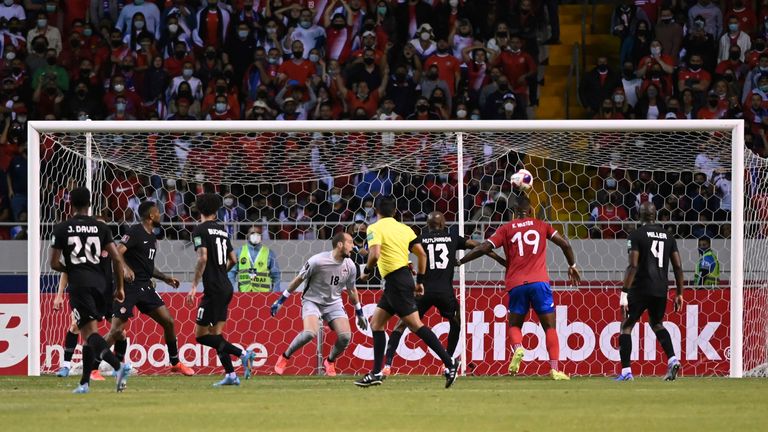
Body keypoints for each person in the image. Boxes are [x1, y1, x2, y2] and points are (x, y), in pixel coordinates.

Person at [458, 195, 579, 380]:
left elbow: (483, 247)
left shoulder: (506, 229)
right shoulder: (541, 225)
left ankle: (518, 348)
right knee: (550, 327)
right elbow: (565, 244)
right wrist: (572, 265)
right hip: (539, 282)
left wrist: (461, 261)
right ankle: (555, 369)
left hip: (515, 284)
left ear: (513, 212)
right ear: (530, 210)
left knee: (515, 325)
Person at [354, 196, 460, 388]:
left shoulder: (374, 228)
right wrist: (419, 281)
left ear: (376, 212)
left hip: (397, 281)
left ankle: (450, 362)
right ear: (395, 212)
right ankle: (376, 372)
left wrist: (367, 271)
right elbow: (421, 254)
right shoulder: (406, 229)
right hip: (400, 280)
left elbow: (375, 254)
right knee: (376, 324)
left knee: (415, 325)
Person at [382, 211, 506, 375]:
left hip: (423, 291)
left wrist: (408, 264)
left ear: (427, 225)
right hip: (444, 292)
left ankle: (387, 366)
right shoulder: (452, 238)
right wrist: (498, 258)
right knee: (456, 321)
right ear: (443, 224)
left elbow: (398, 252)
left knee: (401, 324)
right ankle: (447, 363)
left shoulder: (421, 239)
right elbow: (481, 247)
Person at [49, 187, 131, 393]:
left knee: (89, 333)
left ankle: (118, 367)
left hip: (80, 286)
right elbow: (116, 258)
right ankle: (84, 383)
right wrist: (120, 287)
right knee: (89, 336)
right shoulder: (102, 228)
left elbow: (54, 263)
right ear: (89, 203)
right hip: (102, 286)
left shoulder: (62, 228)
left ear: (70, 204)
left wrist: (73, 268)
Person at [106, 201, 194, 376]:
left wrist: (165, 278)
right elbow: (116, 252)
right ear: (151, 216)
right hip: (129, 287)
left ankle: (175, 363)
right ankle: (93, 367)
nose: (160, 216)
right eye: (158, 213)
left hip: (145, 287)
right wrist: (125, 268)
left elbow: (147, 267)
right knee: (116, 330)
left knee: (168, 321)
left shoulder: (153, 237)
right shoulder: (135, 232)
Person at [270, 232, 367, 376]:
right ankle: (285, 357)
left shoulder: (351, 266)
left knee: (345, 336)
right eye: (350, 242)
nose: (353, 247)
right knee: (310, 333)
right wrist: (281, 300)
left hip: (333, 303)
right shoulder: (317, 261)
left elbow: (352, 290)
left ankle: (330, 361)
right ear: (340, 244)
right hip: (312, 301)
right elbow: (298, 279)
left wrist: (359, 313)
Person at [187, 193, 256, 386]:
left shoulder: (199, 230)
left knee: (201, 336)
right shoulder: (223, 231)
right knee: (216, 335)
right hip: (226, 286)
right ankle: (231, 375)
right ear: (217, 211)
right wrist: (220, 272)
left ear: (199, 210)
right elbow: (233, 259)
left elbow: (202, 258)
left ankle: (243, 353)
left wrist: (193, 286)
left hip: (214, 289)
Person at [616, 201, 684, 381]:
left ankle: (626, 372)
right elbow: (678, 267)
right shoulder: (668, 236)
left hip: (639, 288)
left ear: (639, 215)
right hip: (661, 289)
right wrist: (679, 293)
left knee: (626, 327)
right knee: (657, 324)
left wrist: (624, 293)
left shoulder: (636, 235)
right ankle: (672, 359)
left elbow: (633, 266)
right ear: (655, 215)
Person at [228, 226, 281, 292]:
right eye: (252, 233)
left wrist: (275, 293)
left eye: (258, 233)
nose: (255, 235)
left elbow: (276, 275)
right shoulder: (239, 252)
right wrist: (231, 291)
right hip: (243, 293)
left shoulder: (269, 253)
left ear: (261, 236)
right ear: (247, 235)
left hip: (264, 295)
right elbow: (231, 273)